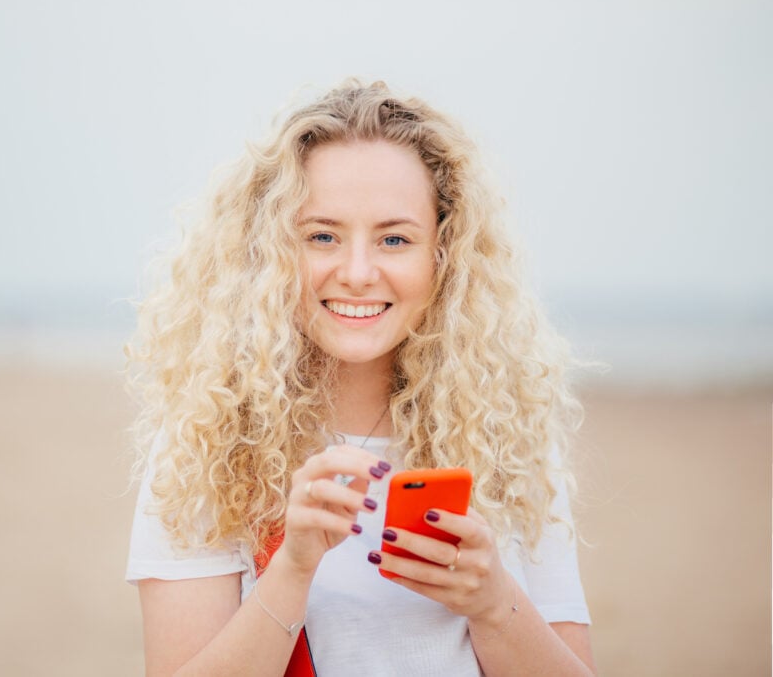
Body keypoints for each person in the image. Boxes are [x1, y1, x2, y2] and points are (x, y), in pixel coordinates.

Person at [125, 79, 595, 676]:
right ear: (270, 251)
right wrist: (291, 572)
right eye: (322, 236)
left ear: (443, 255)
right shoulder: (206, 443)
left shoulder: (511, 437)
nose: (357, 271)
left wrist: (495, 604)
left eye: (394, 239)